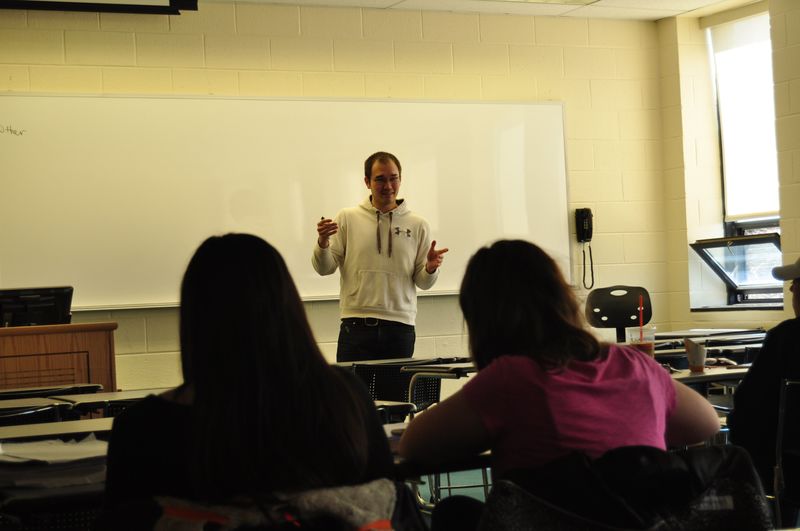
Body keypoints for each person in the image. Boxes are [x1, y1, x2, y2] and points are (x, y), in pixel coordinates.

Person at [398, 240, 720, 528]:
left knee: (453, 512)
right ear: (561, 298)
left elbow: (414, 445)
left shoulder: (510, 378)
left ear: (483, 318)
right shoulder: (633, 364)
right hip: (642, 522)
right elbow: (705, 423)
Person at [104, 234, 394, 518]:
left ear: (196, 317)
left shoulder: (143, 430)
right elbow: (385, 497)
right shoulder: (346, 399)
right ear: (288, 304)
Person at [313, 151, 448, 362]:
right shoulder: (347, 218)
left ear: (400, 180)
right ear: (367, 182)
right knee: (353, 395)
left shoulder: (418, 224)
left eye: (393, 178)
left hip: (400, 328)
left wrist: (430, 268)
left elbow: (423, 283)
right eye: (380, 179)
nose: (388, 186)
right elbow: (324, 269)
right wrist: (323, 243)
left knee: (395, 395)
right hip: (355, 325)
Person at [728, 256, 800, 521]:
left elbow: (750, 406)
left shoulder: (786, 338)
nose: (791, 289)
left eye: (796, 282)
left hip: (789, 469)